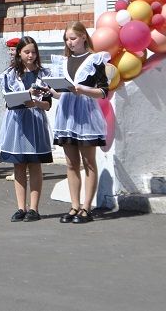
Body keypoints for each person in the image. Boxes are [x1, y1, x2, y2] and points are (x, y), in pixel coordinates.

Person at [49, 21, 110, 224]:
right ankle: (74, 205)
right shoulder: (63, 61)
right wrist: (51, 90)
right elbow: (60, 93)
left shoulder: (95, 59)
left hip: (85, 113)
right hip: (67, 113)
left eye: (73, 38)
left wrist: (83, 89)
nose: (70, 42)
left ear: (84, 36)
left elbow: (103, 91)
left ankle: (87, 207)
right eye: (67, 39)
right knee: (71, 162)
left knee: (89, 162)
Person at [0, 36, 53, 221]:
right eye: (27, 52)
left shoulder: (44, 74)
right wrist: (22, 98)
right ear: (19, 54)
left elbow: (48, 105)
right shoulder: (9, 74)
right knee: (19, 164)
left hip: (35, 120)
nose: (31, 55)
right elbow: (8, 100)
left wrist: (36, 102)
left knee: (35, 164)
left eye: (33, 52)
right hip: (16, 122)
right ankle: (21, 207)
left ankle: (34, 208)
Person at [4, 37, 21, 183]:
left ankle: (23, 169)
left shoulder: (20, 67)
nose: (11, 52)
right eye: (9, 49)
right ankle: (18, 168)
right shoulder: (11, 66)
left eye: (13, 49)